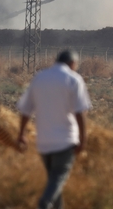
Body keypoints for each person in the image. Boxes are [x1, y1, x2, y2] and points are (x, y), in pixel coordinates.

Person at [17, 49, 92, 209]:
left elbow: (25, 110)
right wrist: (83, 139)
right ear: (73, 63)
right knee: (57, 179)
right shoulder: (74, 79)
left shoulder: (40, 78)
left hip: (44, 142)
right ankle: (44, 203)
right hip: (65, 141)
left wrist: (21, 134)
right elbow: (80, 113)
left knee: (54, 182)